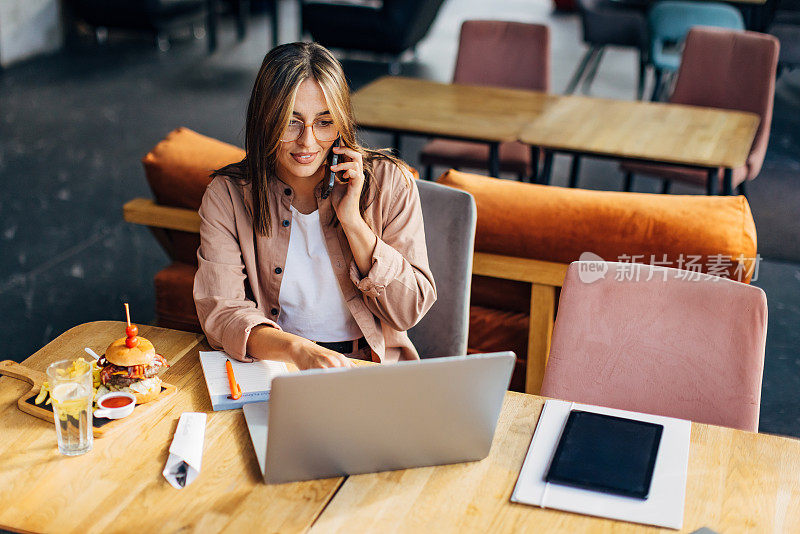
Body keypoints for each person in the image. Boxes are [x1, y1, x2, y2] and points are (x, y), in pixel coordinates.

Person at [193, 42, 436, 370]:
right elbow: (223, 312)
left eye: (324, 122)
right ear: (265, 120)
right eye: (291, 122)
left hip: (370, 366)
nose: (307, 141)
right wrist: (297, 351)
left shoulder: (389, 182)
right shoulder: (228, 195)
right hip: (276, 364)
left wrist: (353, 222)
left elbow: (408, 310)